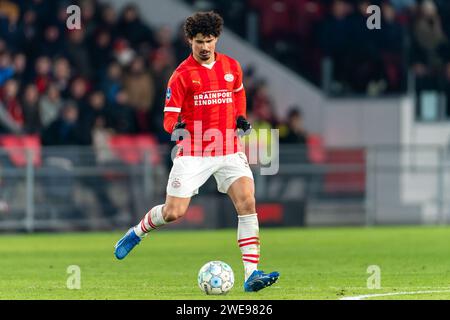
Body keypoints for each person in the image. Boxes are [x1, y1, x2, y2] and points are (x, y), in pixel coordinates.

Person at [114, 11, 279, 292]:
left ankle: (251, 275)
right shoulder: (180, 76)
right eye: (199, 41)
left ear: (217, 39)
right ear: (190, 40)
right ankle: (137, 232)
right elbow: (168, 118)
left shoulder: (231, 66)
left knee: (247, 203)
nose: (205, 47)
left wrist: (240, 116)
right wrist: (176, 126)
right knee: (173, 212)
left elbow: (238, 93)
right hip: (193, 151)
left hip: (228, 147)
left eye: (210, 40)